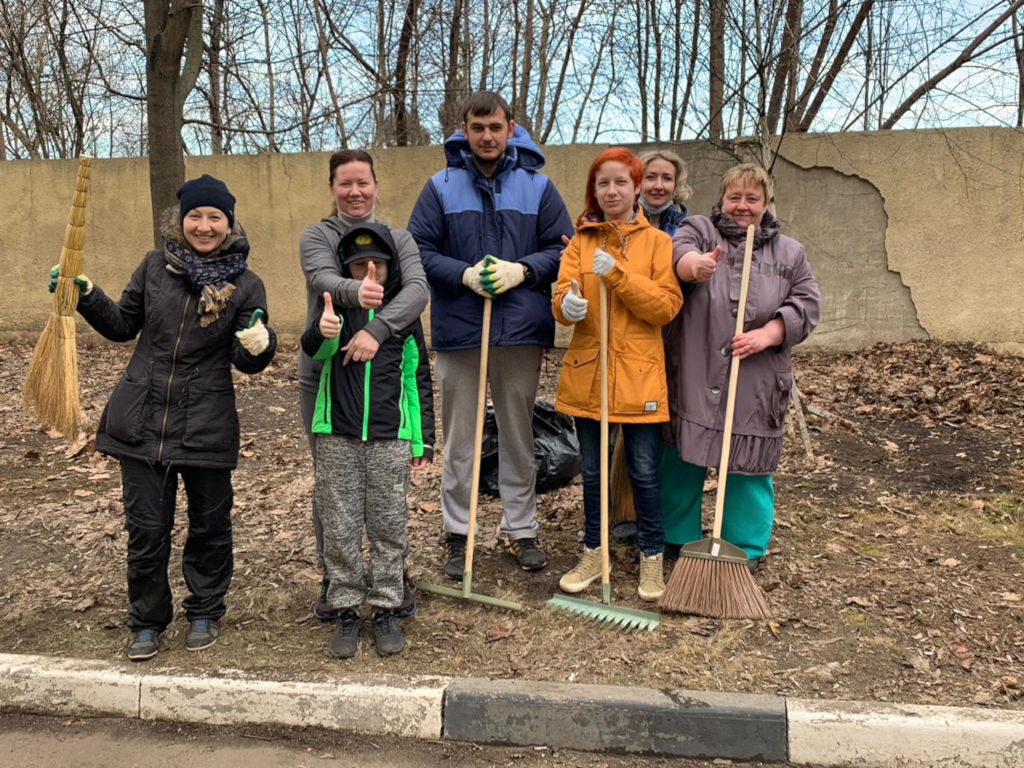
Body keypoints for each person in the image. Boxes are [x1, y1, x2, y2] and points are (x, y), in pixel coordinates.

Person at [49, 174, 277, 661]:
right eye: (195, 215)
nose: (204, 225)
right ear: (180, 220)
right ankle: (148, 621)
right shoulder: (156, 267)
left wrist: (260, 344)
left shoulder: (245, 283)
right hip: (142, 421)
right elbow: (122, 325)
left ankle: (204, 612)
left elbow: (248, 360)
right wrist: (87, 294)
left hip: (207, 423)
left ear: (229, 223)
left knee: (209, 526)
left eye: (215, 216)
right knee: (147, 530)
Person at [408, 91, 573, 577]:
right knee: (461, 437)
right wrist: (460, 274)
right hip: (461, 330)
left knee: (519, 435)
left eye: (495, 127)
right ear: (464, 128)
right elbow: (416, 247)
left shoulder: (538, 187)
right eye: (477, 128)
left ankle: (521, 528)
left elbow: (564, 248)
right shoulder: (440, 187)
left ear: (510, 128)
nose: (486, 136)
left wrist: (523, 271)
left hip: (520, 330)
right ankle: (459, 531)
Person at [661, 163, 821, 571]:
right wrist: (694, 266)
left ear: (766, 203)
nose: (742, 206)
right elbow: (680, 254)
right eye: (735, 197)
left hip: (758, 375)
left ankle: (744, 547)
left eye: (752, 198)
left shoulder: (790, 252)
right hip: (695, 367)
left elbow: (808, 302)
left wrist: (770, 332)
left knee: (749, 464)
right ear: (722, 199)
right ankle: (676, 536)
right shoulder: (699, 228)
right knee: (682, 456)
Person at [299, 150, 429, 621]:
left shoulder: (398, 238)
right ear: (332, 188)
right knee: (333, 489)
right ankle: (338, 579)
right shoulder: (318, 235)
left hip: (385, 367)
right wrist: (359, 295)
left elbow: (417, 290)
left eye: (363, 183)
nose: (355, 192)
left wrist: (377, 329)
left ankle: (389, 579)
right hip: (326, 373)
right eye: (344, 183)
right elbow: (321, 277)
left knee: (382, 495)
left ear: (376, 185)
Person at [551, 147, 682, 602]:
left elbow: (665, 306)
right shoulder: (580, 242)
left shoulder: (659, 244)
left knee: (643, 471)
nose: (612, 191)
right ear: (594, 190)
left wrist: (621, 276)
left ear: (637, 188)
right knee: (592, 472)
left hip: (640, 376)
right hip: (589, 374)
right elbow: (562, 294)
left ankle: (651, 556)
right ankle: (594, 550)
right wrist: (564, 306)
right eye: (603, 184)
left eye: (620, 183)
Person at [639, 149, 692, 236]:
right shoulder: (619, 224)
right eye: (651, 177)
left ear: (676, 186)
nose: (659, 186)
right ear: (638, 182)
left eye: (667, 178)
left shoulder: (687, 230)